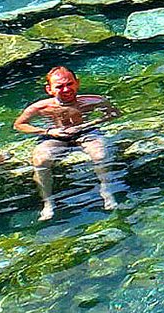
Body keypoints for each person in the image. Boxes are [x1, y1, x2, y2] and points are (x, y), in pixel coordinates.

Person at [14, 66, 120, 220]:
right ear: (49, 89)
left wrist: (89, 124)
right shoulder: (41, 107)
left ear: (77, 83)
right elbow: (19, 125)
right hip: (54, 136)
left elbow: (114, 114)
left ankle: (106, 190)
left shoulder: (94, 100)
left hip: (86, 132)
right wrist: (48, 131)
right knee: (41, 161)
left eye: (69, 84)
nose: (66, 89)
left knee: (101, 155)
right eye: (59, 86)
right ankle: (48, 201)